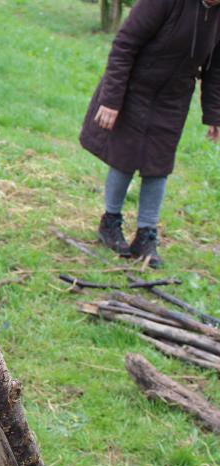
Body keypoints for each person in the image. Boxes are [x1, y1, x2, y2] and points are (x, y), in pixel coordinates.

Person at [80, 0, 220, 268]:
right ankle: (110, 222)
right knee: (125, 156)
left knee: (159, 163)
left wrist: (214, 114)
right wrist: (111, 99)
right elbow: (124, 45)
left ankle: (146, 235)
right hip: (135, 86)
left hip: (173, 97)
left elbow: (216, 69)